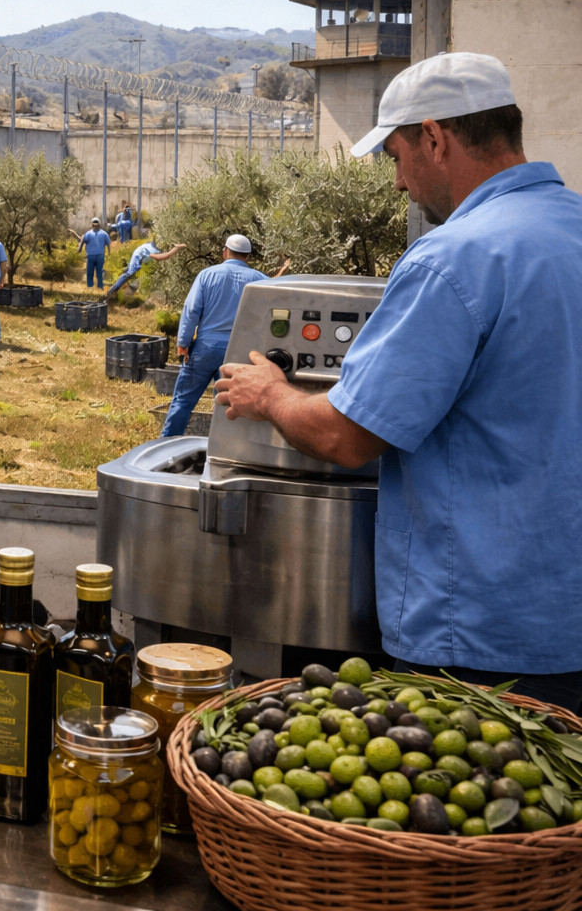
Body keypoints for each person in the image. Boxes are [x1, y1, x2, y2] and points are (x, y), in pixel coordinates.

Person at [215, 52, 582, 711]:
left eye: (394, 156)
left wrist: (268, 392)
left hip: (480, 644)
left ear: (435, 137)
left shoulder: (455, 259)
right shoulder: (571, 231)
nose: (397, 184)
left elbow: (346, 438)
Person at [160, 234, 268, 437]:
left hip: (205, 349)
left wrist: (182, 342)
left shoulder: (207, 275)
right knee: (230, 405)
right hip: (239, 353)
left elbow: (191, 310)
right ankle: (225, 450)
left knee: (183, 400)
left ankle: (166, 444)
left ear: (225, 252)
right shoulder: (261, 281)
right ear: (248, 256)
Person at [104, 237, 186, 301]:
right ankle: (110, 293)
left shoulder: (156, 246)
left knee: (131, 275)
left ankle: (121, 291)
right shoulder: (152, 250)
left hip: (141, 257)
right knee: (128, 274)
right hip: (138, 258)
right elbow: (161, 257)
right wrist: (176, 249)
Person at [76, 216, 113, 289]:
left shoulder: (89, 233)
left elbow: (83, 241)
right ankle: (99, 285)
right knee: (98, 271)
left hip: (92, 256)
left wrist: (80, 248)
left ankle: (91, 285)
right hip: (98, 255)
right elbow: (108, 243)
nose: (95, 226)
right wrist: (109, 253)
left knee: (91, 271)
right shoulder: (104, 233)